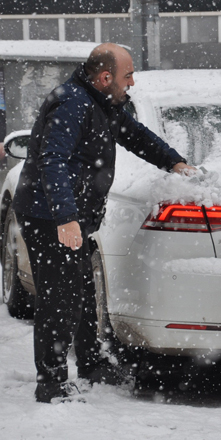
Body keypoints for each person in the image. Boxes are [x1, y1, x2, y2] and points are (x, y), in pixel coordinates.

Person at [12, 43, 197, 403]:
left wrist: (175, 163)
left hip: (72, 216)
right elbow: (52, 160)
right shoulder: (73, 103)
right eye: (128, 75)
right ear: (105, 76)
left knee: (81, 289)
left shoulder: (104, 103)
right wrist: (65, 219)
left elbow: (137, 135)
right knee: (59, 298)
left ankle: (92, 364)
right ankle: (50, 383)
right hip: (48, 215)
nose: (133, 82)